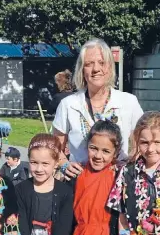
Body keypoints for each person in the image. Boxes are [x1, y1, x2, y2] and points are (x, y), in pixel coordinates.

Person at [52, 38, 143, 180]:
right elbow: (55, 146)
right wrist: (64, 164)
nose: (96, 69)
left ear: (110, 67)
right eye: (89, 64)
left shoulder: (129, 102)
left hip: (117, 184)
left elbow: (141, 143)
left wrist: (128, 165)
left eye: (101, 63)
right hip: (80, 183)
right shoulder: (68, 104)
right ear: (82, 70)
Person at [69, 120, 122, 235]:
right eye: (93, 148)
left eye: (106, 151)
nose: (98, 156)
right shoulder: (77, 174)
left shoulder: (118, 176)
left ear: (115, 153)